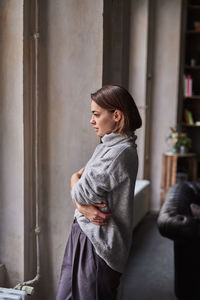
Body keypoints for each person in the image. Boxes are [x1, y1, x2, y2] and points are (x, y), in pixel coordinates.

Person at [56, 85, 142, 300]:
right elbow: (82, 194)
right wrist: (82, 204)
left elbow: (81, 193)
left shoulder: (118, 152)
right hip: (88, 235)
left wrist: (74, 180)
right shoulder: (108, 146)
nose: (91, 121)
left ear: (116, 115)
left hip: (98, 242)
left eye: (96, 114)